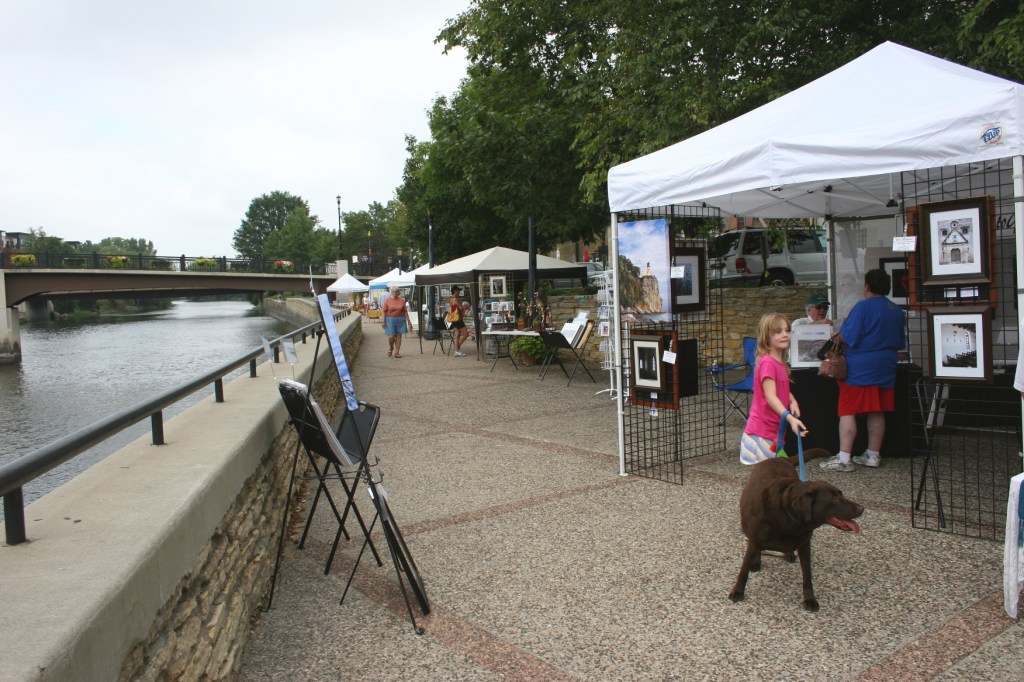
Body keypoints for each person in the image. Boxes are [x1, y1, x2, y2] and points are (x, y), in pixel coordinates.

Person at [820, 268, 905, 472]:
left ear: (867, 286)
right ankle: (873, 455)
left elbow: (850, 336)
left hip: (860, 366)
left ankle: (844, 458)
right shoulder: (895, 309)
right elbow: (900, 341)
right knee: (877, 410)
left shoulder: (862, 307)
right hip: (886, 365)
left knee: (848, 410)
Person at [739, 312, 808, 465]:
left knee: (772, 474)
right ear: (767, 335)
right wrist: (790, 419)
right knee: (767, 474)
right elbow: (771, 396)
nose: (785, 335)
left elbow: (780, 388)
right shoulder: (769, 363)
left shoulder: (779, 362)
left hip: (774, 428)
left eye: (787, 330)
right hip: (763, 430)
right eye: (778, 332)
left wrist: (792, 400)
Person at [381, 287, 413, 358]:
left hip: (400, 319)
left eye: (398, 291)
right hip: (390, 319)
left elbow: (405, 311)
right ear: (392, 292)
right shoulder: (387, 300)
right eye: (396, 291)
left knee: (399, 336)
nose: (397, 293)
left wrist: (409, 322)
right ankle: (391, 348)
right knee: (391, 336)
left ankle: (397, 352)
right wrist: (383, 321)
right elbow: (383, 311)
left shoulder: (402, 300)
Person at [448, 285, 470, 357]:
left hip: (454, 319)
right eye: (458, 290)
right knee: (465, 334)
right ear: (455, 291)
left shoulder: (451, 299)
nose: (459, 292)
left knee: (457, 335)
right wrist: (465, 308)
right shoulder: (455, 299)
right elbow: (460, 308)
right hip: (458, 319)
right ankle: (457, 349)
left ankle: (456, 351)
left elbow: (455, 308)